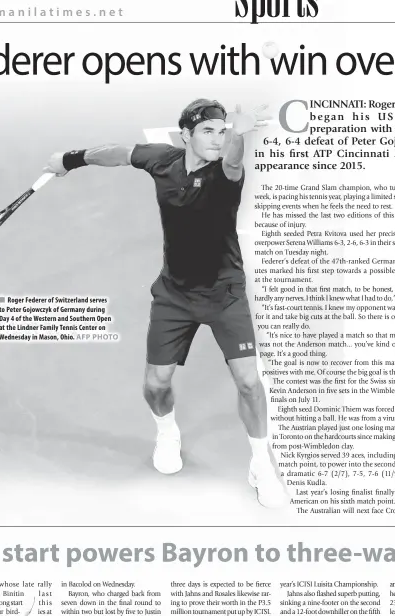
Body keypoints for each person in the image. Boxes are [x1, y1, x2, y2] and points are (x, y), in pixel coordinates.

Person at [45, 98, 285, 508]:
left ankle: (261, 464)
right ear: (185, 135)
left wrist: (240, 133)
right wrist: (72, 158)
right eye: (208, 131)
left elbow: (233, 160)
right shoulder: (162, 160)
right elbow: (119, 154)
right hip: (174, 295)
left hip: (225, 295)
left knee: (249, 382)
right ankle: (167, 432)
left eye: (222, 130)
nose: (217, 138)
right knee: (156, 384)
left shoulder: (226, 172)